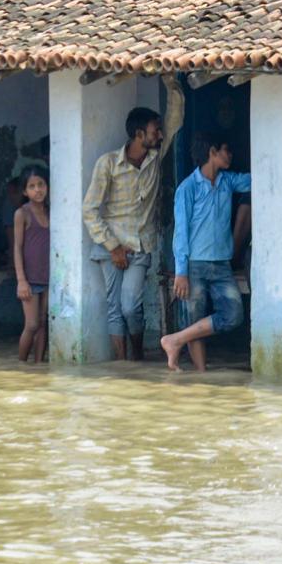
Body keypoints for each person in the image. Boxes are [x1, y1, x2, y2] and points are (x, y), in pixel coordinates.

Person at [82, 74, 184, 361]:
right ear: (139, 134)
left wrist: (171, 83)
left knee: (130, 305)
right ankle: (123, 365)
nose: (160, 134)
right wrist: (112, 246)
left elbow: (175, 118)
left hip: (139, 245)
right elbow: (89, 209)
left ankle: (136, 357)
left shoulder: (155, 156)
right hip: (110, 246)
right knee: (114, 306)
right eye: (155, 131)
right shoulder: (108, 164)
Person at [160, 132, 249, 371]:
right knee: (193, 320)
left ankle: (175, 340)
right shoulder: (187, 188)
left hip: (222, 264)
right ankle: (201, 376)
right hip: (194, 266)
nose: (230, 155)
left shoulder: (228, 181)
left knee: (233, 315)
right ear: (212, 152)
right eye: (225, 149)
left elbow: (254, 180)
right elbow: (181, 233)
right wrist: (181, 272)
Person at [13, 165, 50, 363]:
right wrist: (21, 280)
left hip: (48, 276)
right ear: (25, 191)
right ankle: (21, 365)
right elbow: (17, 248)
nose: (38, 190)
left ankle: (38, 366)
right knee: (32, 324)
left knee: (43, 323)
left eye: (41, 184)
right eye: (32, 186)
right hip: (29, 278)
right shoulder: (22, 214)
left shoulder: (52, 212)